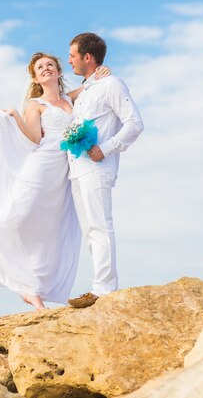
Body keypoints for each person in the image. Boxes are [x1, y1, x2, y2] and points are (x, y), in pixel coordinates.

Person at [0, 52, 108, 310]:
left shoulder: (70, 99)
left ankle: (31, 289)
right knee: (18, 215)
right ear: (36, 77)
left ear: (59, 72)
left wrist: (102, 72)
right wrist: (15, 115)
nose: (46, 68)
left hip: (64, 171)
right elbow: (33, 138)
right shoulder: (35, 104)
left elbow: (93, 85)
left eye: (50, 65)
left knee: (46, 231)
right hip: (42, 164)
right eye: (41, 67)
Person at [66, 32, 144, 309]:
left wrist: (107, 147)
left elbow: (134, 123)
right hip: (76, 169)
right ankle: (98, 286)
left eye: (73, 55)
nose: (69, 61)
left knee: (100, 226)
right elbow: (58, 98)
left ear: (87, 57)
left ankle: (105, 290)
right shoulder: (88, 87)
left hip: (97, 167)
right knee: (90, 230)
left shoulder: (112, 84)